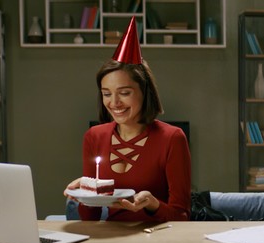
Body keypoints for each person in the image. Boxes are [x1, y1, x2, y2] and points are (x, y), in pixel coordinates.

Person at [64, 17, 191, 222]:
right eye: (106, 94)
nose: (114, 103)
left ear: (144, 91)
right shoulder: (94, 137)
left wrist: (152, 204)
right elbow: (90, 220)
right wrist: (85, 198)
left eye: (124, 93)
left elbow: (182, 216)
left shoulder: (172, 138)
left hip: (159, 241)